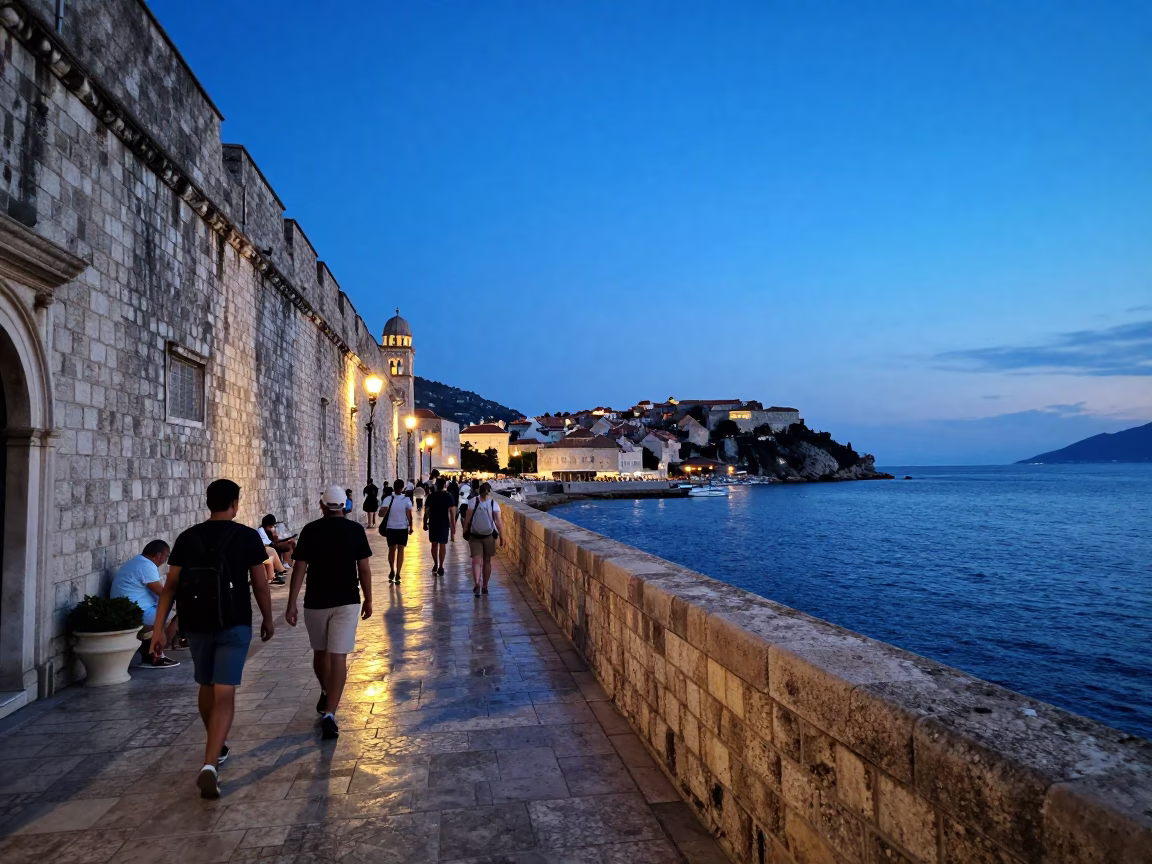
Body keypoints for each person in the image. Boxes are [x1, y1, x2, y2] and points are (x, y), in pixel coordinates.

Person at [150, 478, 274, 800]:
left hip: (197, 624)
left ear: (208, 503)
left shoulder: (187, 537)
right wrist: (268, 618)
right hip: (234, 622)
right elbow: (260, 584)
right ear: (234, 503)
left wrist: (159, 629)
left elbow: (171, 586)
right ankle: (210, 763)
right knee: (225, 693)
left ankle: (217, 747)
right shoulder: (247, 536)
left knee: (206, 685)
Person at [286, 485, 374, 740]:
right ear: (345, 506)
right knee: (338, 658)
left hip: (316, 600)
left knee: (320, 653)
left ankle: (327, 693)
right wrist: (368, 599)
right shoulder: (355, 530)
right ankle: (330, 713)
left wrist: (291, 603)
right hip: (347, 599)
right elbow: (364, 569)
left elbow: (299, 568)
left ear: (322, 506)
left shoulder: (310, 530)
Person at [111, 539, 180, 668]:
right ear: (159, 556)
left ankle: (154, 652)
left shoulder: (138, 562)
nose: (165, 561)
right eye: (166, 557)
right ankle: (155, 655)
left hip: (131, 609)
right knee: (176, 616)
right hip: (135, 612)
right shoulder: (146, 565)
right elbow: (162, 593)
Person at [463, 481, 504, 596]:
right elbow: (498, 522)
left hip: (476, 535)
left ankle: (479, 583)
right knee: (486, 561)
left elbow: (467, 519)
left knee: (477, 561)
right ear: (489, 492)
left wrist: (465, 530)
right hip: (486, 536)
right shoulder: (493, 503)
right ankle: (483, 585)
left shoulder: (473, 501)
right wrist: (502, 536)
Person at [378, 478, 414, 584]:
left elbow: (381, 513)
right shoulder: (406, 499)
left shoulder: (388, 498)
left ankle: (392, 570)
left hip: (391, 528)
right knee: (401, 550)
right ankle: (398, 573)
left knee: (391, 549)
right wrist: (411, 527)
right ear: (402, 488)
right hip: (402, 528)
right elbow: (409, 515)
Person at [424, 477, 457, 577]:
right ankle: (441, 566)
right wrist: (453, 526)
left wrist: (424, 523)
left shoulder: (431, 496)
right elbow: (452, 513)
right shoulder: (448, 496)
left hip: (433, 522)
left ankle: (435, 563)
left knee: (434, 544)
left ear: (436, 485)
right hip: (444, 523)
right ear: (444, 485)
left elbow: (426, 511)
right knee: (442, 545)